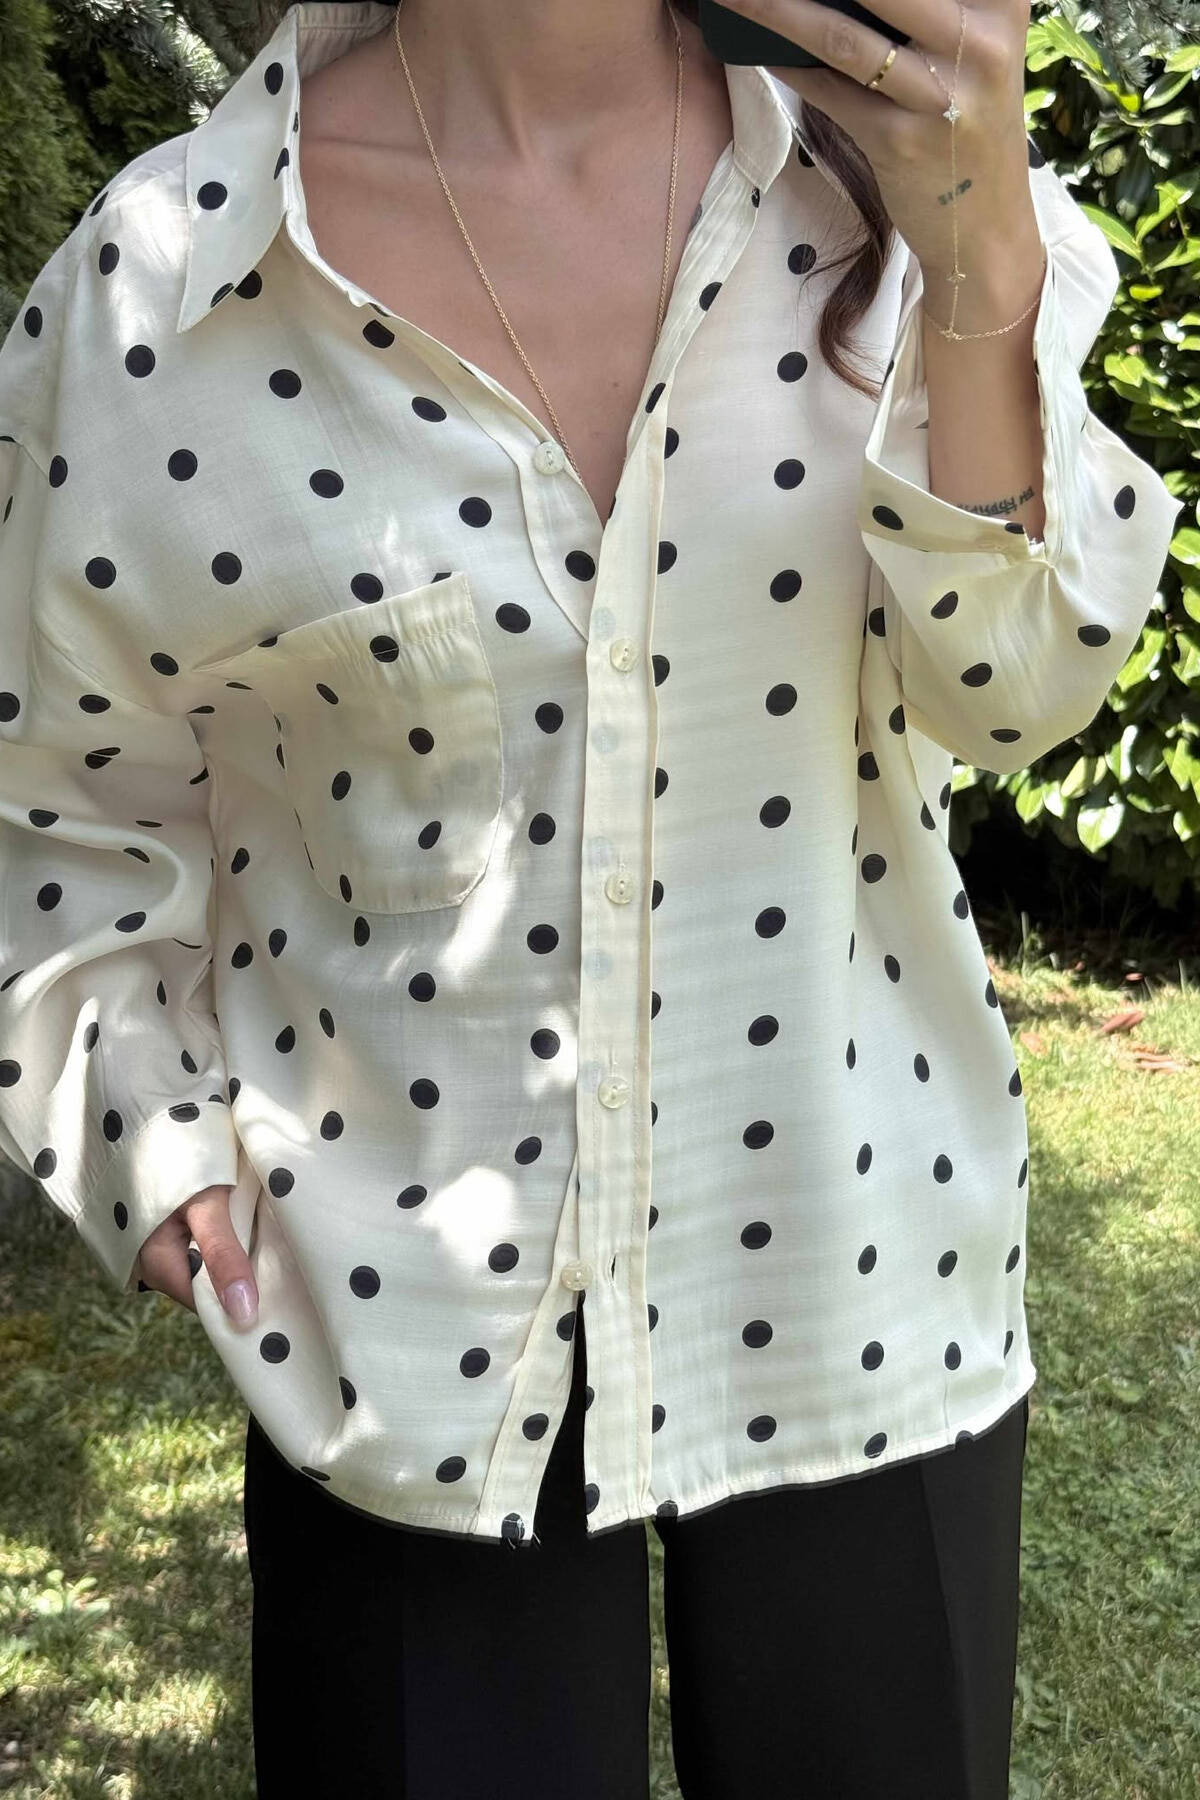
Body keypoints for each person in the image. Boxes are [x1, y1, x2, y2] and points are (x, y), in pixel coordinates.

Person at [0, 1, 1180, 1795]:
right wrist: (143, 1128)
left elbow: (1019, 696)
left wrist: (981, 265)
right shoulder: (163, 293)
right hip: (400, 1328)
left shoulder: (900, 187)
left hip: (860, 1270)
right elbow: (54, 793)